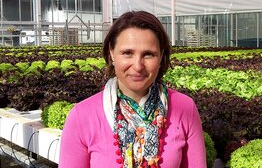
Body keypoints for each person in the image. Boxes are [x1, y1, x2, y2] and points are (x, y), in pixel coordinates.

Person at [59, 11, 206, 168]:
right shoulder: (82, 116)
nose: (138, 66)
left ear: (161, 56)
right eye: (127, 53)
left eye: (148, 54)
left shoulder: (184, 108)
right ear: (112, 53)